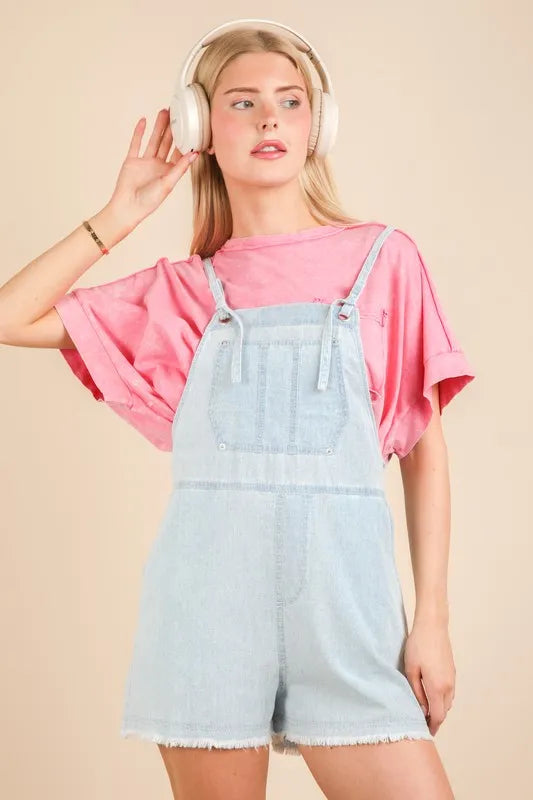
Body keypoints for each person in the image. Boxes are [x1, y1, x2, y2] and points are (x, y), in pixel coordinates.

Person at [0, 20, 474, 800]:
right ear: (201, 129)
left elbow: (425, 451)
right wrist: (119, 215)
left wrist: (432, 621)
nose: (268, 120)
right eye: (242, 102)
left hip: (349, 619)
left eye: (290, 101)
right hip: (203, 619)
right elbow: (11, 317)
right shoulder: (185, 292)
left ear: (317, 124)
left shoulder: (384, 259)